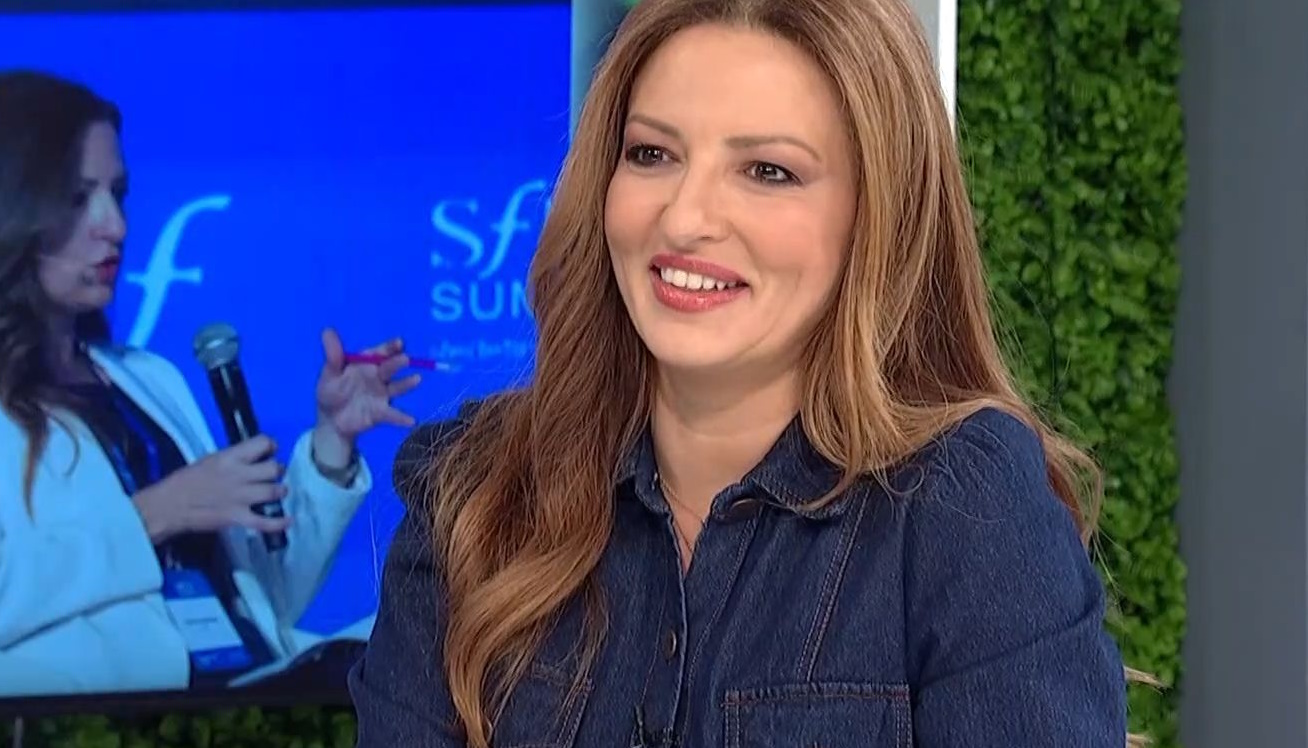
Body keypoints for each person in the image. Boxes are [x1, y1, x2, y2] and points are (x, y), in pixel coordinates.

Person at [351, 0, 1139, 744]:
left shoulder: (965, 506)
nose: (685, 218)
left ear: (878, 214)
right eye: (652, 154)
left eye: (767, 170)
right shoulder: (476, 489)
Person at [0, 70, 421, 696]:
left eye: (118, 193)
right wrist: (153, 515)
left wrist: (332, 443)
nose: (114, 225)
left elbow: (268, 602)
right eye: (77, 197)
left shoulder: (147, 380)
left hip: (246, 693)